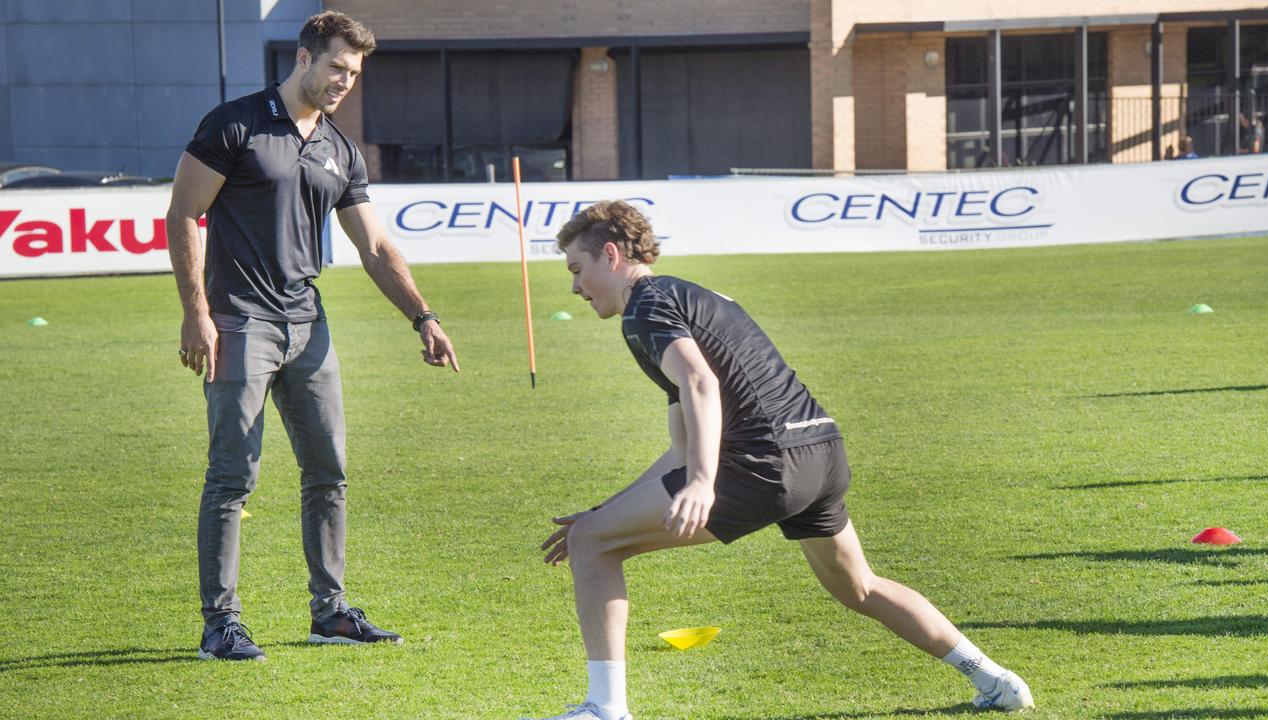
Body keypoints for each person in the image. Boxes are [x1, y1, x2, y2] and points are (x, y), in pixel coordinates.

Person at [526, 201, 1034, 719]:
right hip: (820, 454)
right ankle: (994, 679)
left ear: (610, 254)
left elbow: (700, 382)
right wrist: (605, 511)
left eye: (576, 270)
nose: (574, 288)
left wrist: (701, 482)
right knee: (858, 586)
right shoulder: (686, 296)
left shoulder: (644, 307)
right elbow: (681, 446)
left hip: (764, 464)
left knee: (593, 546)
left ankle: (605, 711)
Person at [166, 10, 459, 662]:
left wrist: (424, 315)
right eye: (336, 68)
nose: (343, 83)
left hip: (307, 325)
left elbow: (377, 247)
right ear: (304, 58)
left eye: (353, 75)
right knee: (232, 475)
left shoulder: (340, 150)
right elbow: (184, 212)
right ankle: (221, 625)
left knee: (329, 471)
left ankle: (330, 613)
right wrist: (196, 313)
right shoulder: (235, 123)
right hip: (239, 322)